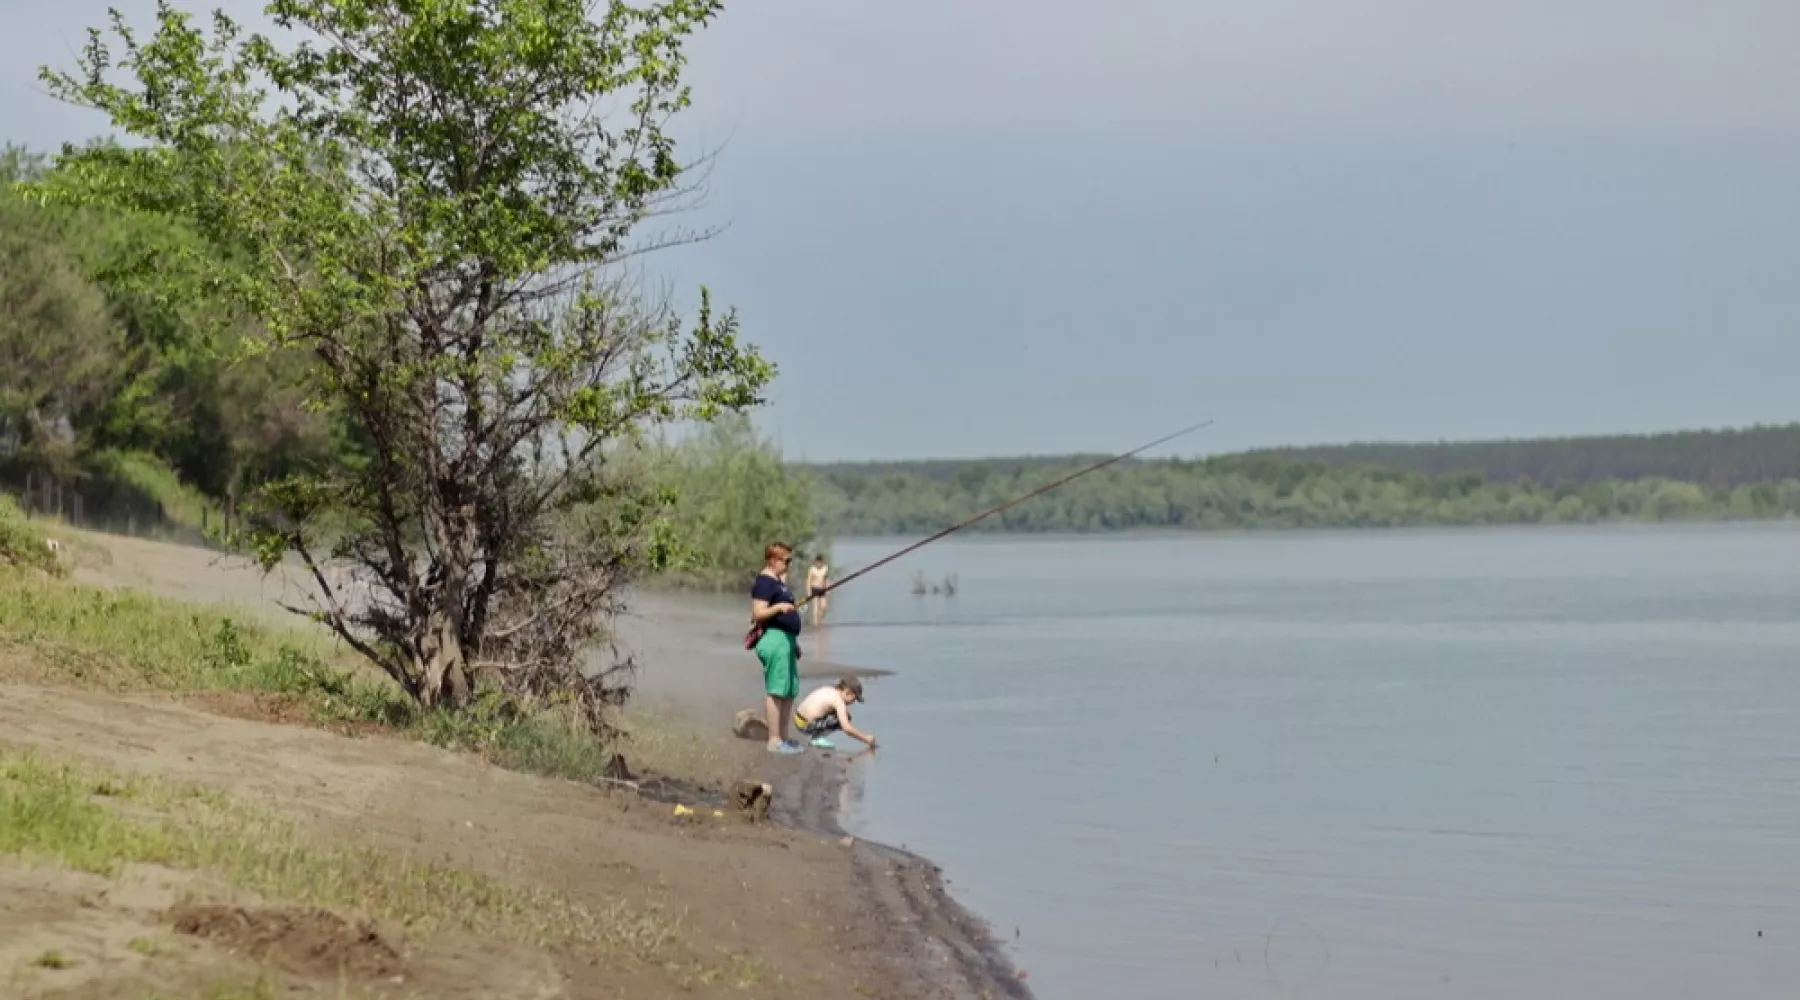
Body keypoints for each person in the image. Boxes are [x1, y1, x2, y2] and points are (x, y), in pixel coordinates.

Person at [750, 541, 805, 754]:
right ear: (773, 560)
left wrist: (794, 642)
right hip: (774, 639)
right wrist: (779, 607)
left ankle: (784, 737)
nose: (789, 565)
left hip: (787, 640)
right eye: (787, 561)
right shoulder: (765, 582)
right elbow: (758, 613)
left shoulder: (778, 582)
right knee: (776, 689)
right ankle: (774, 740)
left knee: (789, 690)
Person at [793, 676, 876, 751]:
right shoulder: (838, 701)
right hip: (806, 726)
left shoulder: (830, 690)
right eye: (854, 699)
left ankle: (817, 737)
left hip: (798, 719)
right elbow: (847, 729)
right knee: (844, 718)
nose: (853, 702)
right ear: (847, 692)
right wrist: (866, 739)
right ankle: (817, 738)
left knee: (843, 714)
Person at [805, 554, 831, 628]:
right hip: (814, 589)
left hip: (822, 589)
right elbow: (808, 581)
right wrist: (808, 592)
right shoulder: (812, 569)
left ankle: (819, 620)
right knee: (815, 607)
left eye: (820, 562)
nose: (819, 564)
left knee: (824, 607)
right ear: (815, 562)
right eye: (817, 562)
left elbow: (826, 579)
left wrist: (828, 589)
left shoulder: (825, 568)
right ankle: (815, 623)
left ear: (822, 562)